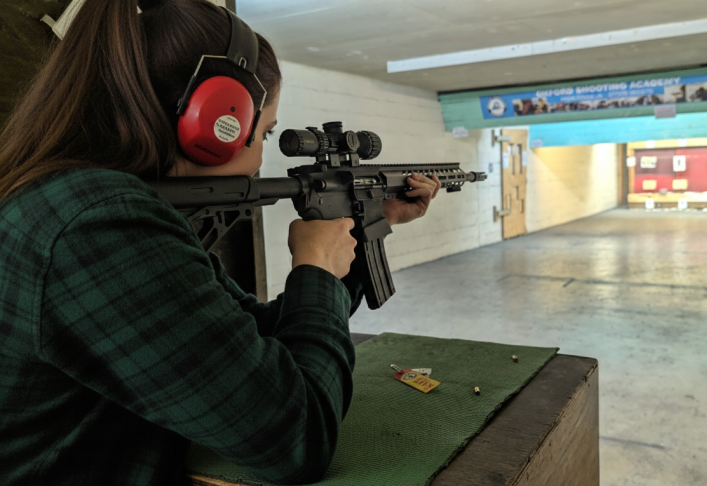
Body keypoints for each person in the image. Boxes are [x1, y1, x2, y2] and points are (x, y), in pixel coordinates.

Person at [0, 1, 440, 485]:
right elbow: (294, 438)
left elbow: (252, 338)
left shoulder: (81, 200)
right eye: (266, 134)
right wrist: (313, 270)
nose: (257, 160)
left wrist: (362, 230)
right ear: (217, 121)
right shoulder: (99, 226)